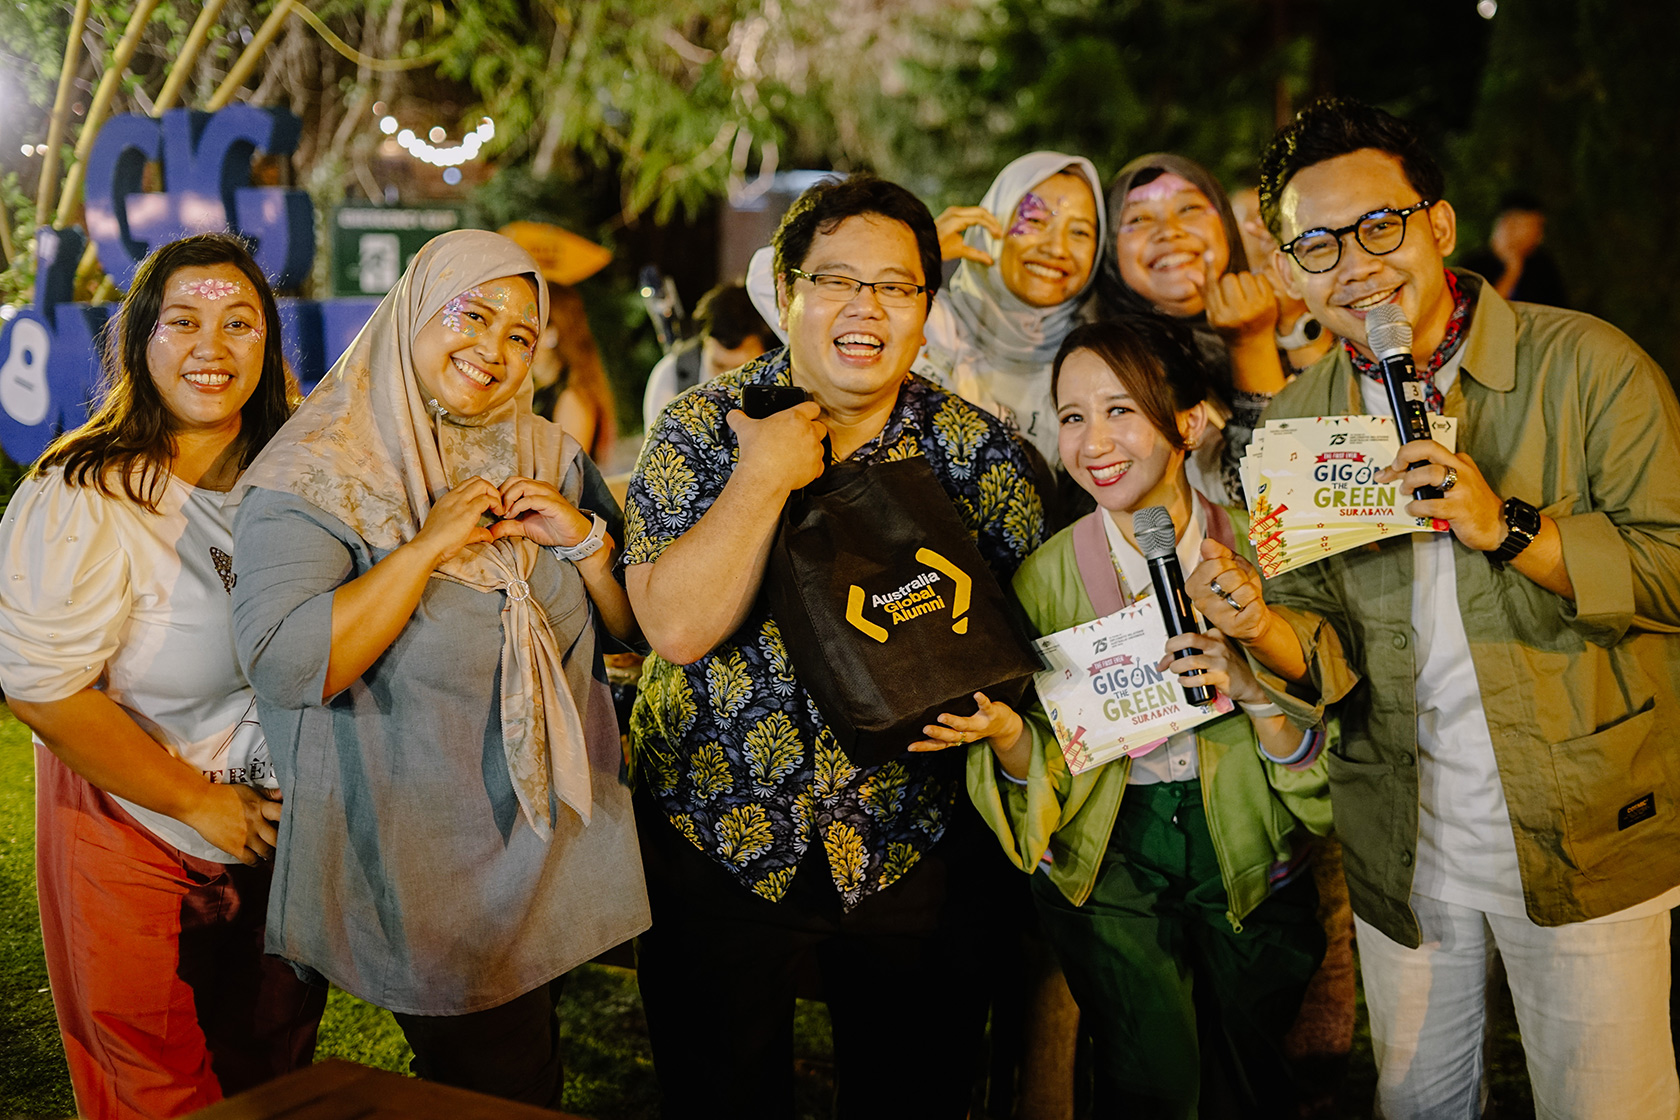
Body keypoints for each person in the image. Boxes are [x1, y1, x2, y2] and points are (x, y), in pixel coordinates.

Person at [1220, 95, 1680, 1117]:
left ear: (1438, 225)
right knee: (1419, 1101)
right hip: (1403, 841)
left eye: (1381, 226)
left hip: (1584, 825)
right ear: (1292, 270)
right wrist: (1257, 623)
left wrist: (1512, 527)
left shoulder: (1589, 366)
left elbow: (1672, 567)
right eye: (1319, 245)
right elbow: (1320, 645)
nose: (1358, 265)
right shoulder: (1295, 426)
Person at [624, 174, 1046, 1119]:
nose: (866, 307)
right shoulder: (703, 430)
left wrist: (995, 708)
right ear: (787, 289)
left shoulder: (980, 456)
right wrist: (763, 478)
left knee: (915, 1093)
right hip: (718, 830)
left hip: (914, 843)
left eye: (896, 287)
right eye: (837, 280)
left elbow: (1030, 644)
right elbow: (678, 629)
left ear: (927, 308)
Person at [229, 230, 649, 1106]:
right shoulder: (317, 471)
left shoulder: (547, 455)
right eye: (473, 313)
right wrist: (423, 549)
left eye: (521, 334)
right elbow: (290, 663)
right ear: (416, 309)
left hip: (549, 838)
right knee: (499, 1083)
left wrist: (588, 543)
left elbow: (631, 636)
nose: (493, 349)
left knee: (526, 1060)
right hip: (424, 851)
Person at [925, 317, 1330, 1117]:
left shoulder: (1263, 547)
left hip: (1248, 848)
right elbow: (1033, 750)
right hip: (1111, 852)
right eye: (1072, 416)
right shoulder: (1044, 576)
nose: (1093, 440)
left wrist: (1251, 687)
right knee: (1152, 1081)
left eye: (1121, 410)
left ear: (1188, 424)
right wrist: (1008, 738)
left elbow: (1339, 717)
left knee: (1253, 1077)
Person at [0, 233, 324, 1119]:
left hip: (276, 844)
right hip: (132, 827)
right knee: (154, 1085)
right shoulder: (84, 493)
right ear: (140, 339)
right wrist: (196, 800)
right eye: (182, 321)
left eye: (239, 322)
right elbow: (41, 688)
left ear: (269, 344)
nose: (211, 347)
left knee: (273, 1074)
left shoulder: (296, 484)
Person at [1097, 154, 1287, 505]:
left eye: (1189, 209)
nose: (1169, 230)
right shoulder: (1112, 364)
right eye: (1138, 219)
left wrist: (1295, 323)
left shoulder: (1283, 313)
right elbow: (1263, 494)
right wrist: (1250, 343)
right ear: (1109, 247)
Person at [914, 150, 1105, 463]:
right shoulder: (921, 324)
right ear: (992, 223)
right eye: (1034, 220)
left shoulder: (1100, 364)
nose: (1057, 248)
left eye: (1080, 232)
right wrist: (907, 263)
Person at [1230, 184, 1337, 373]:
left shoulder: (1317, 277)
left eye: (1268, 215)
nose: (1263, 225)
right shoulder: (1231, 303)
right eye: (1251, 216)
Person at [641, 282, 774, 428]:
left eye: (741, 371)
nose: (727, 382)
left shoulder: (782, 381)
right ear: (703, 343)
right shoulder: (671, 376)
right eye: (719, 366)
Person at [531, 280, 619, 466]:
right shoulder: (545, 392)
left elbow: (568, 474)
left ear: (551, 334)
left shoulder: (572, 399)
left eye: (527, 325)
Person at [1459, 189, 1570, 307]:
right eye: (1534, 226)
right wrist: (1512, 272)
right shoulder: (1472, 267)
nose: (1540, 237)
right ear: (1509, 225)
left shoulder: (1542, 265)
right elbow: (1480, 315)